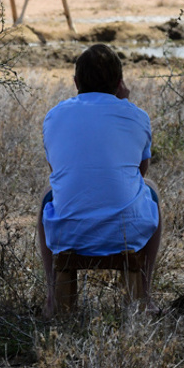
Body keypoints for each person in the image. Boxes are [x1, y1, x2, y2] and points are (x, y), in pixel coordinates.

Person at [36, 43, 162, 316]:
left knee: (48, 193)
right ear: (119, 83)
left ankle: (53, 297)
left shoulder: (54, 115)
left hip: (68, 234)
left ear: (75, 82)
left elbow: (56, 170)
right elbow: (140, 174)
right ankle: (144, 294)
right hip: (127, 234)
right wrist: (124, 102)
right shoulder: (137, 116)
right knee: (151, 189)